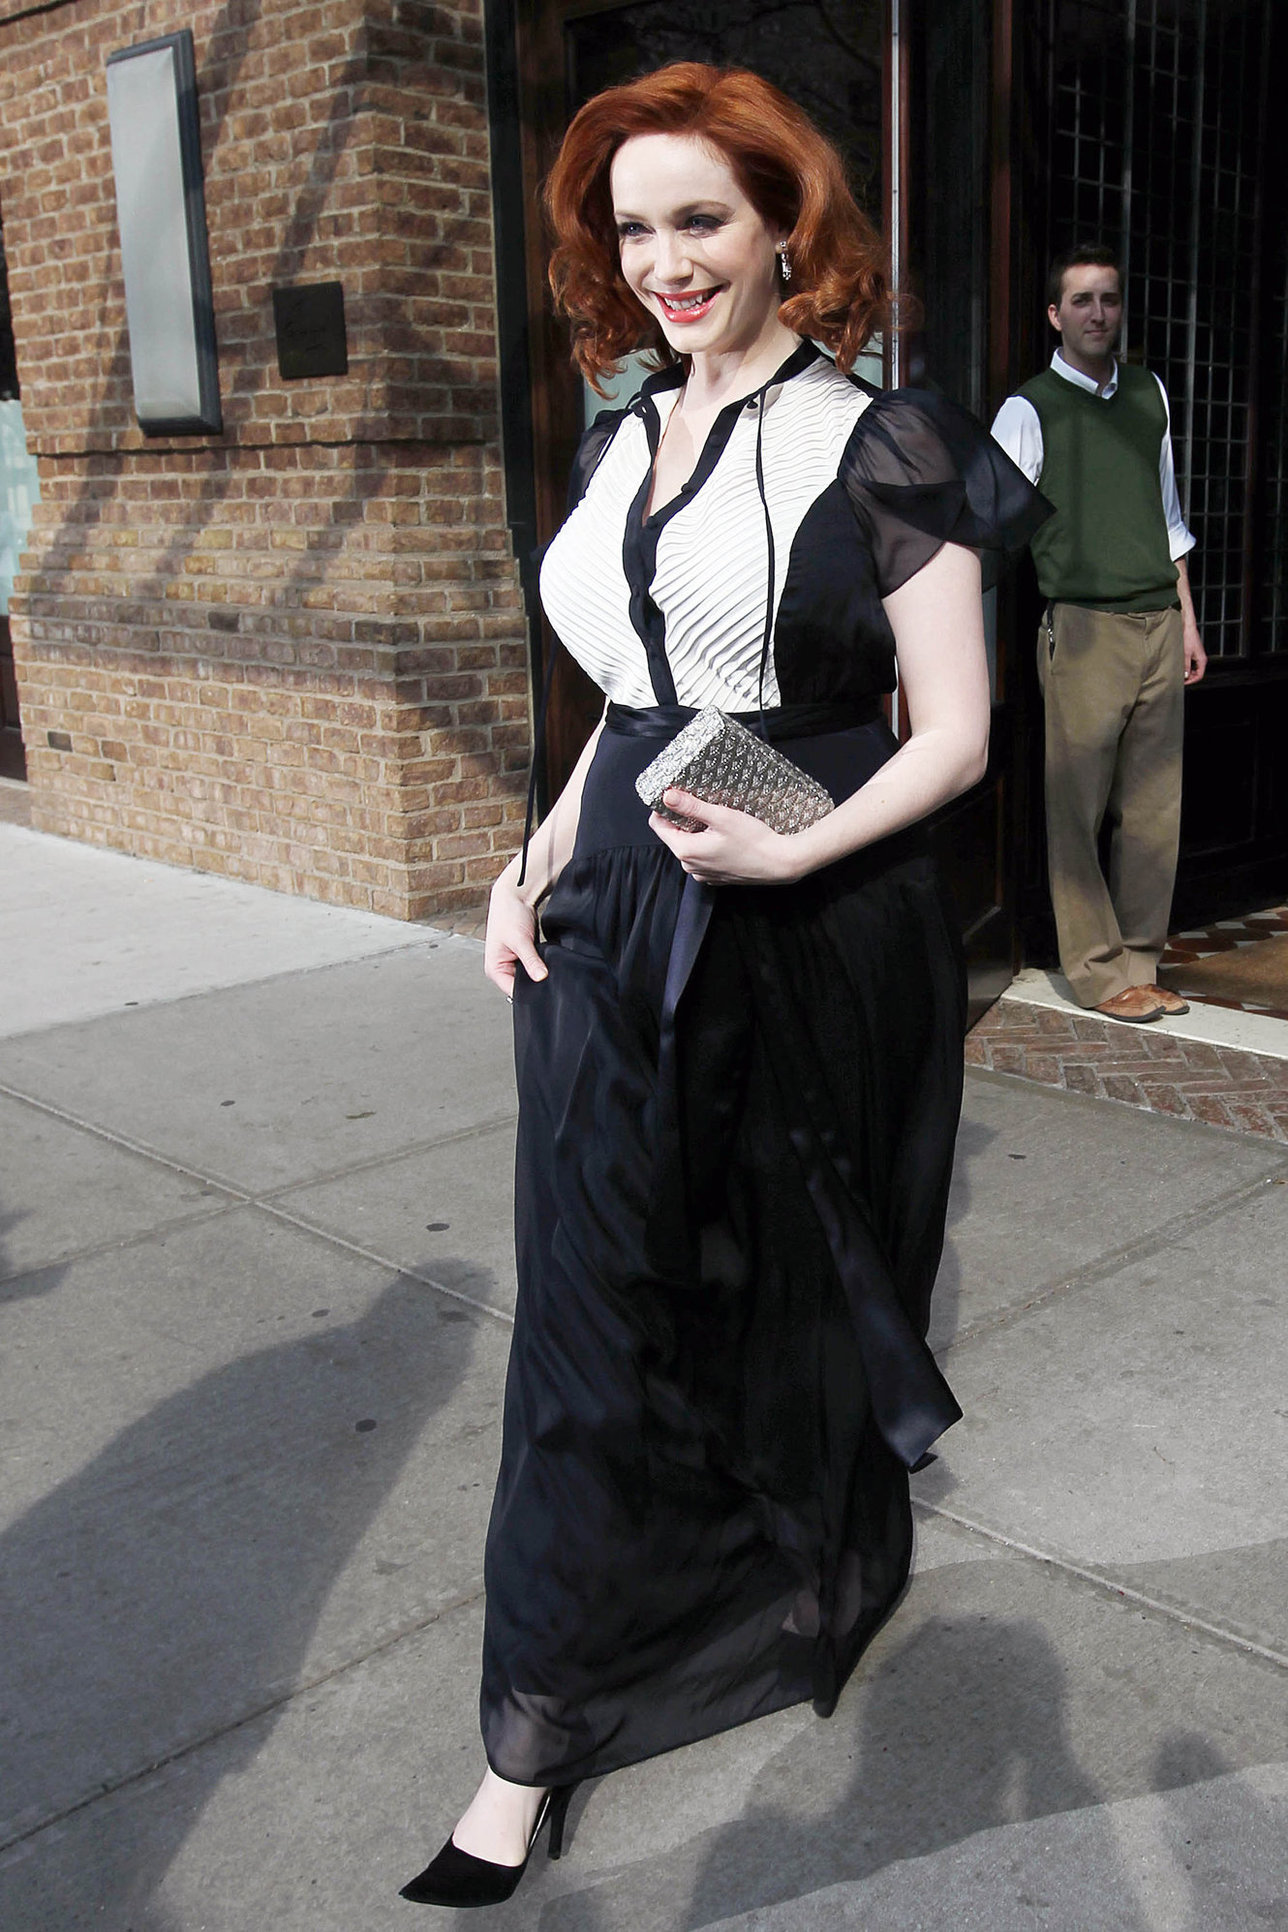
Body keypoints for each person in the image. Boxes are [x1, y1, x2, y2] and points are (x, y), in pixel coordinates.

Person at [399, 62, 1047, 1910]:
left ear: (784, 227)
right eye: (633, 227)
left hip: (801, 910)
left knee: (771, 1284)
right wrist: (528, 862)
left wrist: (792, 852)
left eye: (702, 218)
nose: (666, 258)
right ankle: (528, 1738)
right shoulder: (620, 437)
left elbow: (956, 732)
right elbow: (623, 698)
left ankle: (787, 1565)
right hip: (612, 909)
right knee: (592, 1315)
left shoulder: (884, 438)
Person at [991, 242, 1206, 1024]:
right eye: (1080, 300)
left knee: (1155, 809)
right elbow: (991, 529)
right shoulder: (1029, 408)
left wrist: (1188, 619)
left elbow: (1168, 516)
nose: (1097, 313)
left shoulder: (1150, 394)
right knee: (1076, 808)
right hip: (1083, 629)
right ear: (1055, 314)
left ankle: (1142, 959)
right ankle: (1096, 970)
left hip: (1158, 620)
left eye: (1108, 299)